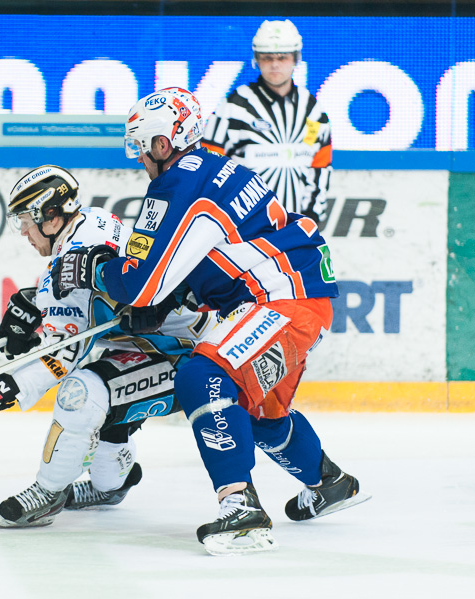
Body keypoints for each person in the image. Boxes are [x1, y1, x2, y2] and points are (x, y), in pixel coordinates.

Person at [51, 87, 369, 555]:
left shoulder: (176, 184)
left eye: (142, 146)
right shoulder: (217, 169)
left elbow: (140, 284)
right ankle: (330, 483)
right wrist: (168, 295)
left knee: (204, 375)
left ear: (162, 144)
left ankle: (239, 508)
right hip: (304, 297)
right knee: (259, 413)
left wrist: (94, 268)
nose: (140, 158)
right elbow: (203, 260)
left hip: (280, 299)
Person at [0, 164, 213, 529]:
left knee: (81, 394)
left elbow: (63, 354)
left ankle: (48, 492)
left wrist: (1, 387)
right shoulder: (93, 219)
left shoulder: (70, 265)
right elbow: (87, 285)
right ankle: (111, 486)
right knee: (107, 407)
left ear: (50, 215)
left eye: (26, 220)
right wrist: (36, 302)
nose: (23, 232)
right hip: (160, 342)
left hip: (192, 356)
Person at [202, 19, 332, 223]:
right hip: (241, 227)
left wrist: (311, 219)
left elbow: (320, 168)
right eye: (267, 57)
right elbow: (208, 168)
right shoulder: (233, 107)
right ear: (257, 59)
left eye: (283, 57)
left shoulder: (313, 111)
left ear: (296, 58)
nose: (275, 64)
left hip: (296, 226)